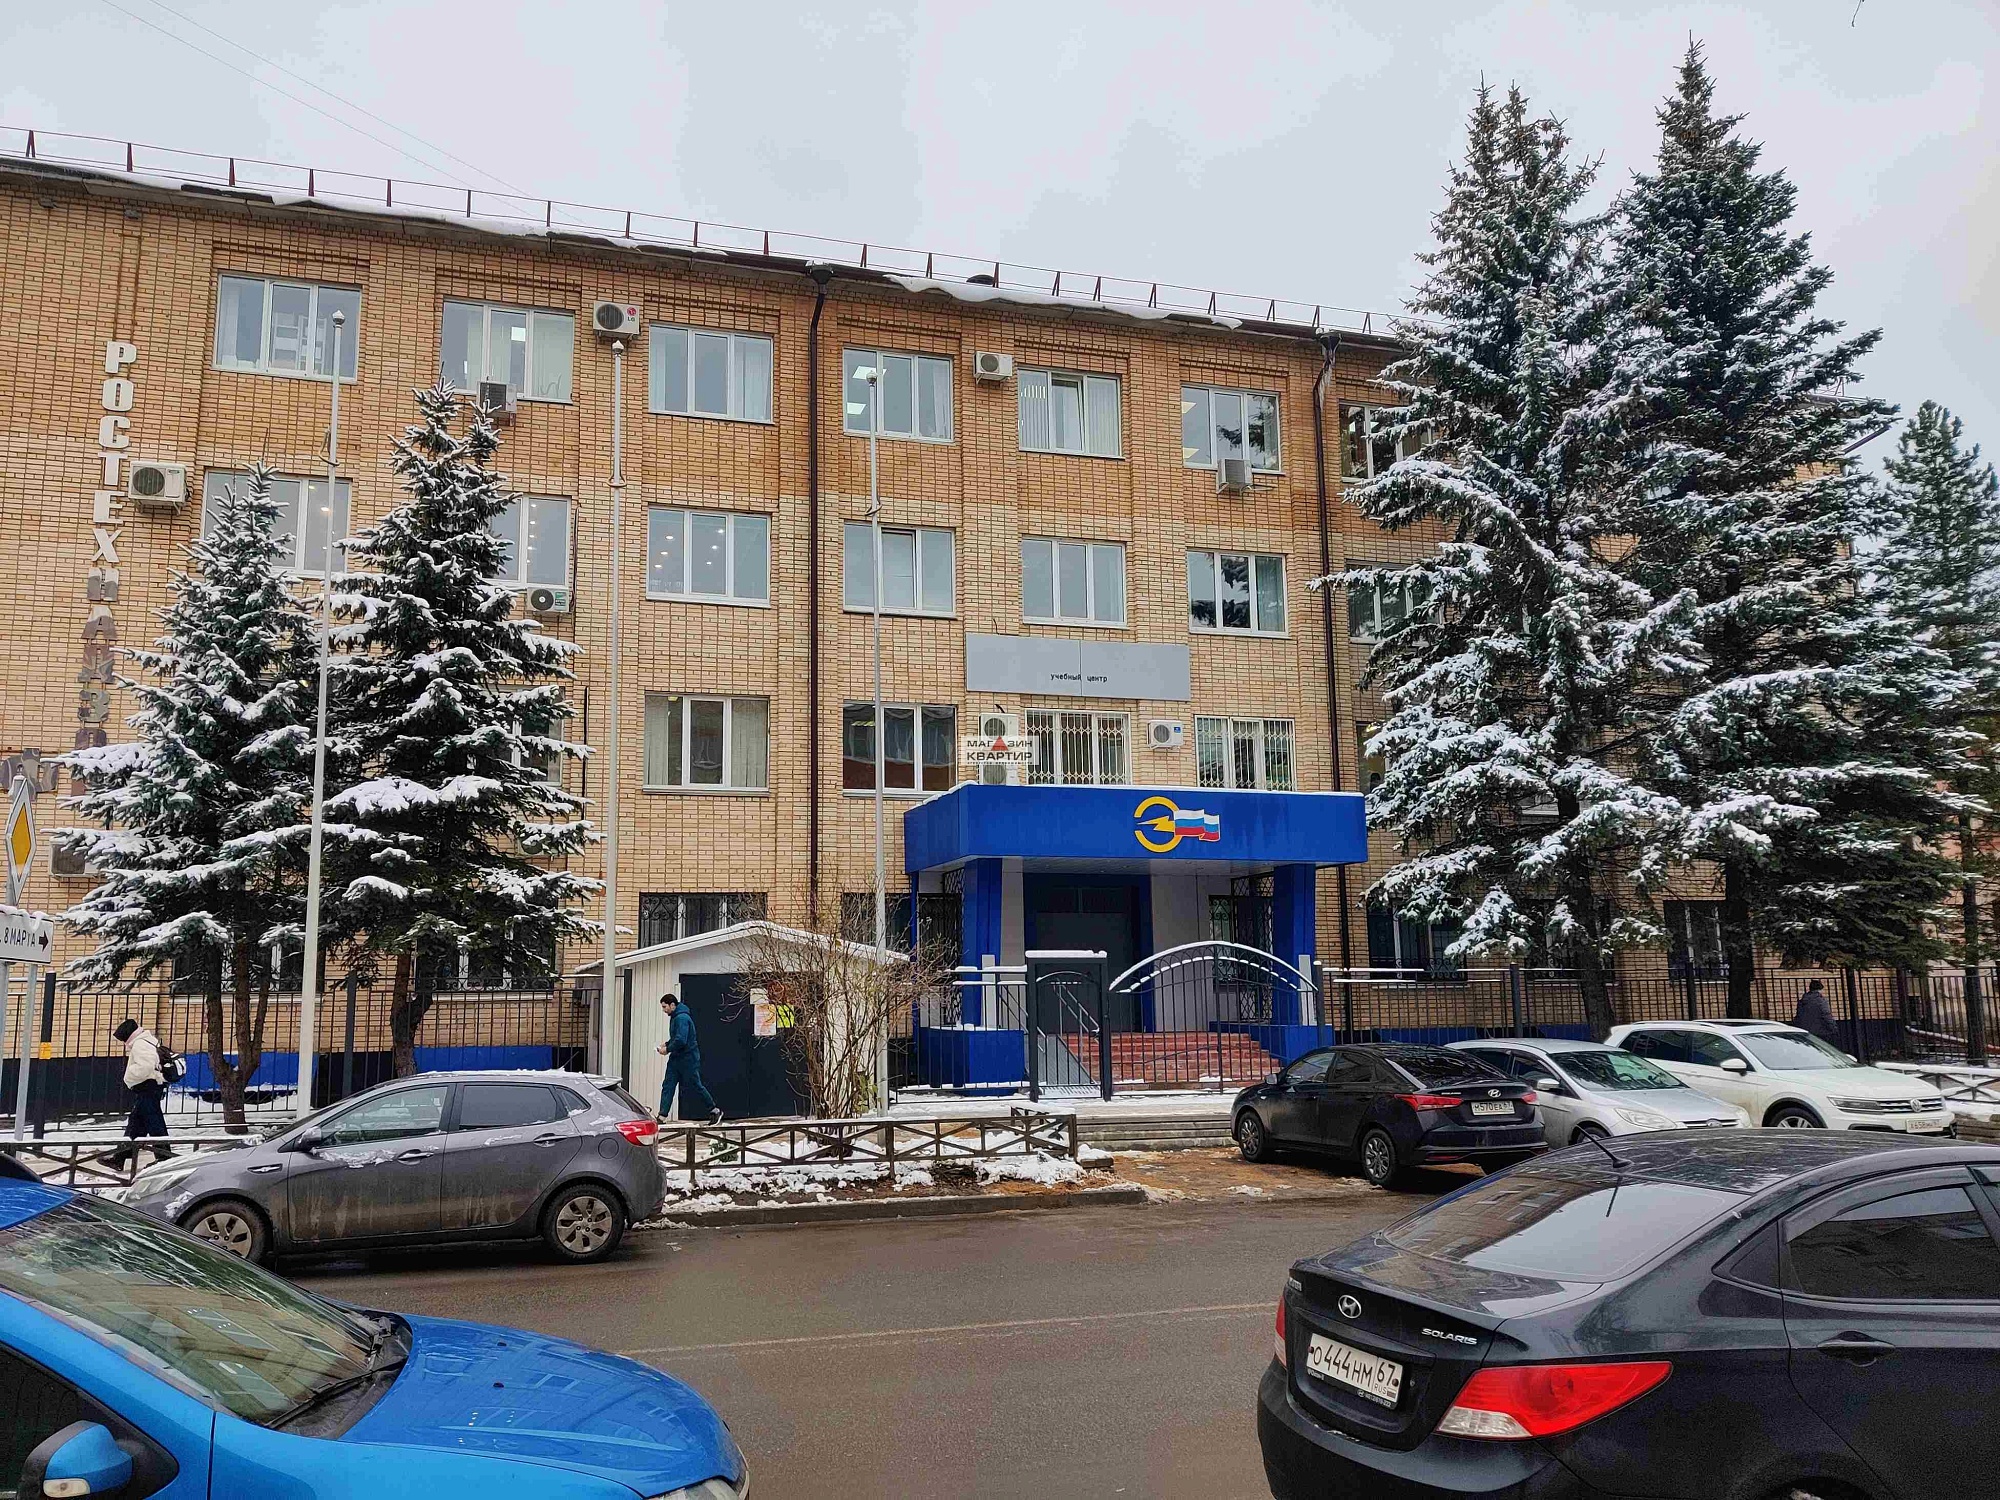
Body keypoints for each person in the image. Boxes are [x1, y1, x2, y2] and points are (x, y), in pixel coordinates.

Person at [110, 1017, 174, 1167]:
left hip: (148, 1086)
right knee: (136, 1123)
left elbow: (145, 1066)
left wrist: (129, 1077)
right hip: (152, 1085)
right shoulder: (147, 1040)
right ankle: (120, 1157)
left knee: (154, 1122)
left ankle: (164, 1157)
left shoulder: (140, 1044)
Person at [656, 993, 724, 1124]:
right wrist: (667, 1044)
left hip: (687, 1059)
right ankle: (662, 1116)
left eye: (665, 1007)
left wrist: (667, 1049)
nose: (663, 1010)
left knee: (695, 1085)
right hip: (677, 1058)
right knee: (668, 1085)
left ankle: (714, 1109)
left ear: (672, 1005)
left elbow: (681, 1040)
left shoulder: (681, 1018)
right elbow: (677, 1037)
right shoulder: (676, 1017)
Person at [1791, 979, 1841, 1046]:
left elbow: (1798, 1016)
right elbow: (1826, 1015)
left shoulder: (1802, 1001)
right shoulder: (1820, 1001)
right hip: (1820, 1032)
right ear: (1819, 989)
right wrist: (1833, 1028)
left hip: (1805, 1031)